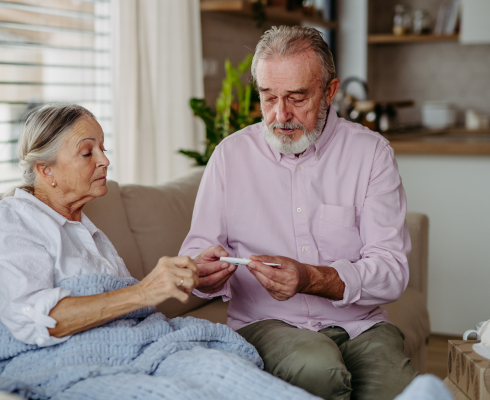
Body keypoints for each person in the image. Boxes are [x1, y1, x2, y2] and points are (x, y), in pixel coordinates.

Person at [179, 26, 418, 400]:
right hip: (266, 323)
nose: (280, 114)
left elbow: (392, 272)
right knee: (318, 369)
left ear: (330, 91)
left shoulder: (371, 154)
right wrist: (203, 274)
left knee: (399, 391)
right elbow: (195, 255)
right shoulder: (230, 156)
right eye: (268, 97)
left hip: (360, 325)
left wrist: (311, 278)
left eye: (296, 98)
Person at [0, 104, 200, 347]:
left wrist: (188, 276)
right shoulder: (12, 220)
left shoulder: (86, 229)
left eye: (102, 148)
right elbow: (34, 319)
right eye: (87, 152)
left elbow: (125, 311)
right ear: (46, 169)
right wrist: (143, 292)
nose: (105, 160)